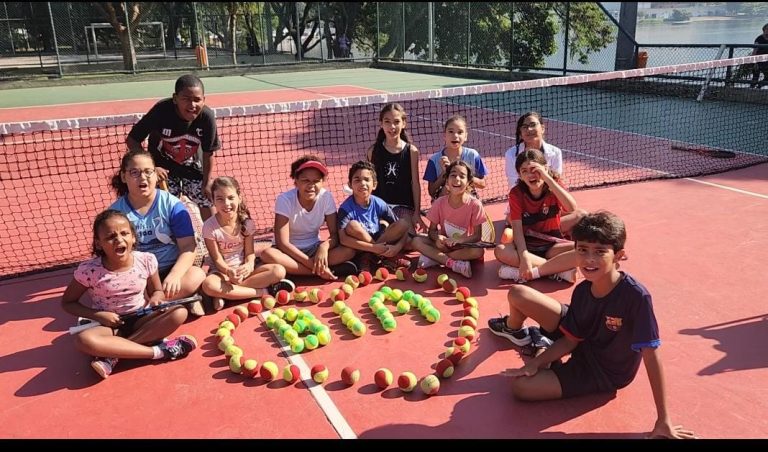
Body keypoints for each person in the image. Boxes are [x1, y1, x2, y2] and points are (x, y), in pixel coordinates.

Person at [489, 211, 696, 440]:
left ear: (619, 255)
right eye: (582, 250)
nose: (589, 259)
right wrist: (536, 364)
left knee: (521, 388)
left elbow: (651, 355)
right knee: (518, 293)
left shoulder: (636, 297)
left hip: (602, 372)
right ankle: (533, 342)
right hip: (583, 340)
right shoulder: (582, 290)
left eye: (600, 252)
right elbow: (571, 339)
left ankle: (541, 343)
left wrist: (663, 419)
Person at [61, 209, 198, 379]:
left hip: (141, 319)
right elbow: (68, 303)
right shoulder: (89, 270)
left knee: (179, 312)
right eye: (110, 237)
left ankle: (112, 355)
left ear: (133, 237)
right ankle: (158, 351)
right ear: (98, 244)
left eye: (124, 233)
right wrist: (100, 315)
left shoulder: (146, 260)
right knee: (84, 341)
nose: (119, 239)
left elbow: (156, 291)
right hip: (108, 327)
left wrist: (156, 299)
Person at [109, 149, 206, 316]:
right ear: (124, 177)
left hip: (170, 269)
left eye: (148, 172)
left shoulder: (172, 205)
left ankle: (147, 308)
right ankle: (169, 302)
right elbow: (114, 256)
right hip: (140, 276)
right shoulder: (116, 214)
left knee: (196, 275)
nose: (143, 177)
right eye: (135, 172)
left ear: (156, 175)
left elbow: (188, 246)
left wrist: (175, 275)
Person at [126, 74, 220, 220]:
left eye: (197, 100)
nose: (192, 105)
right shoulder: (161, 111)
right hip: (162, 168)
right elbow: (132, 139)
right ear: (175, 98)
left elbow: (209, 152)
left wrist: (207, 182)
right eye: (186, 99)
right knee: (164, 205)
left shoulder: (207, 117)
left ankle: (214, 238)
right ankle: (169, 240)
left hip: (193, 165)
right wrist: (151, 168)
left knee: (206, 199)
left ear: (204, 100)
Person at [200, 176, 294, 310]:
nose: (226, 203)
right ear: (213, 201)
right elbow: (217, 259)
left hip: (246, 272)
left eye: (231, 198)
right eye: (220, 199)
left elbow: (250, 253)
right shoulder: (209, 227)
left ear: (239, 197)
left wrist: (249, 265)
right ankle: (262, 292)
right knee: (209, 285)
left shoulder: (247, 223)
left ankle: (229, 294)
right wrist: (229, 271)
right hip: (223, 274)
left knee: (279, 271)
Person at [260, 156, 358, 280]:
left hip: (314, 248)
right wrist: (313, 265)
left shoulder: (326, 197)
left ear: (322, 182)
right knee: (268, 254)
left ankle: (295, 271)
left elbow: (334, 234)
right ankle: (320, 271)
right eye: (305, 180)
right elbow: (282, 243)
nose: (311, 185)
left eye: (316, 180)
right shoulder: (284, 200)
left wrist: (324, 247)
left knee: (349, 250)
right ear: (296, 181)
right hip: (288, 252)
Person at [495, 149, 584, 283]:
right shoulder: (516, 194)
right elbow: (517, 230)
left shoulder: (554, 185)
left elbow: (571, 208)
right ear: (520, 175)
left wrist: (548, 179)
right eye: (524, 171)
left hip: (552, 245)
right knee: (500, 251)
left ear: (545, 168)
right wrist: (524, 257)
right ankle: (558, 271)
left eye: (534, 169)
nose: (530, 174)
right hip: (528, 245)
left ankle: (526, 272)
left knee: (582, 251)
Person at [411, 161, 486, 279]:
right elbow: (432, 231)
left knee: (479, 251)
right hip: (442, 244)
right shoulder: (439, 203)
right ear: (446, 182)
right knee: (415, 241)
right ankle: (453, 263)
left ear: (469, 183)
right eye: (453, 175)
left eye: (462, 176)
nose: (457, 179)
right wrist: (438, 238)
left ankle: (437, 258)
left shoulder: (475, 205)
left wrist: (458, 240)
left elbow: (477, 236)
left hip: (462, 245)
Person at [337, 160, 411, 271]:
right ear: (350, 185)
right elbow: (343, 240)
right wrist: (374, 248)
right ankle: (379, 256)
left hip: (379, 240)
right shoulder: (345, 208)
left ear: (374, 185)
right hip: (360, 246)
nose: (362, 183)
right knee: (352, 225)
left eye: (367, 180)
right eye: (357, 180)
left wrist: (397, 247)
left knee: (403, 223)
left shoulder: (379, 203)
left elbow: (401, 229)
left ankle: (371, 257)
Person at [366, 102, 426, 235]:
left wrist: (417, 213)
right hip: (380, 206)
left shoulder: (411, 151)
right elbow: (370, 183)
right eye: (387, 121)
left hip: (403, 207)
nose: (392, 126)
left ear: (404, 123)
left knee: (408, 238)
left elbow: (415, 184)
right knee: (382, 233)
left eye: (396, 122)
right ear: (381, 123)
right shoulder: (373, 151)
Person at [423, 114, 488, 202]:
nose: (455, 136)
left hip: (468, 201)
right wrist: (446, 173)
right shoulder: (434, 160)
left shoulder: (473, 155)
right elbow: (431, 191)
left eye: (460, 132)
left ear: (465, 136)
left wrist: (464, 175)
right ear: (444, 135)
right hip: (443, 203)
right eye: (451, 131)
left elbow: (482, 184)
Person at [750, 23, 768, 89]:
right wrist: (754, 63)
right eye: (767, 29)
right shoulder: (759, 39)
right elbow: (754, 51)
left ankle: (759, 86)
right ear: (764, 30)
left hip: (766, 61)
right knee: (755, 77)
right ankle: (751, 89)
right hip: (758, 61)